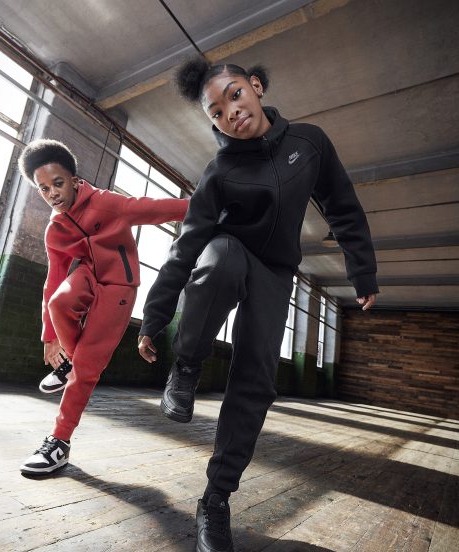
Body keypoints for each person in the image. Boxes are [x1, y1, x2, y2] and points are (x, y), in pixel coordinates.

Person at [137, 57, 378, 552]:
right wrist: (154, 318)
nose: (230, 112)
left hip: (276, 272)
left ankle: (215, 499)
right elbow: (185, 247)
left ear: (256, 86)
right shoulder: (220, 171)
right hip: (230, 251)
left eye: (234, 95)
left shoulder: (309, 142)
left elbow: (342, 204)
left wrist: (362, 269)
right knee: (219, 260)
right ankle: (187, 366)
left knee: (257, 381)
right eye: (216, 111)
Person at [18, 139, 188, 475]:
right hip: (87, 276)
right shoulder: (55, 231)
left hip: (119, 287)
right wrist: (50, 337)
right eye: (43, 189)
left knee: (85, 369)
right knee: (59, 301)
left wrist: (213, 204)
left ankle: (59, 442)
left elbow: (158, 208)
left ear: (74, 179)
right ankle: (71, 361)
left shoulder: (107, 204)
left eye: (58, 183)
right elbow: (53, 281)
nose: (52, 194)